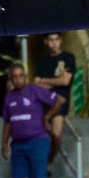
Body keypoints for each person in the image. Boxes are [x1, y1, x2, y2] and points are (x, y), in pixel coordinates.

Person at [2, 63, 64, 178]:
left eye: (21, 76)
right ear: (11, 79)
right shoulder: (9, 97)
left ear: (25, 76)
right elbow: (8, 122)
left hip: (38, 141)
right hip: (18, 145)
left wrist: (47, 117)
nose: (18, 79)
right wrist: (4, 143)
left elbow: (59, 100)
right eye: (14, 77)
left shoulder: (35, 90)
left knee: (40, 177)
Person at [32, 33, 76, 167]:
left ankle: (49, 161)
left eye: (56, 39)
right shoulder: (42, 62)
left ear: (61, 41)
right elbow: (35, 84)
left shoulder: (68, 58)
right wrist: (56, 81)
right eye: (50, 40)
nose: (54, 43)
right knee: (42, 137)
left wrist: (45, 81)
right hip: (43, 103)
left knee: (56, 135)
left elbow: (65, 81)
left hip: (59, 103)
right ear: (46, 41)